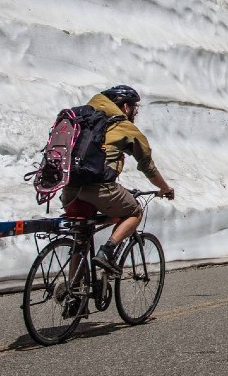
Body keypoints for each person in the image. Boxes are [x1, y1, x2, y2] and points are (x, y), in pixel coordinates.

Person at [58, 84, 175, 273]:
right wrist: (165, 188)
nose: (135, 113)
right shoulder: (122, 125)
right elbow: (147, 165)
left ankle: (73, 293)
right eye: (134, 108)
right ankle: (108, 251)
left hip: (69, 189)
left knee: (82, 239)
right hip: (100, 189)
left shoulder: (82, 119)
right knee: (134, 212)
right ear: (126, 107)